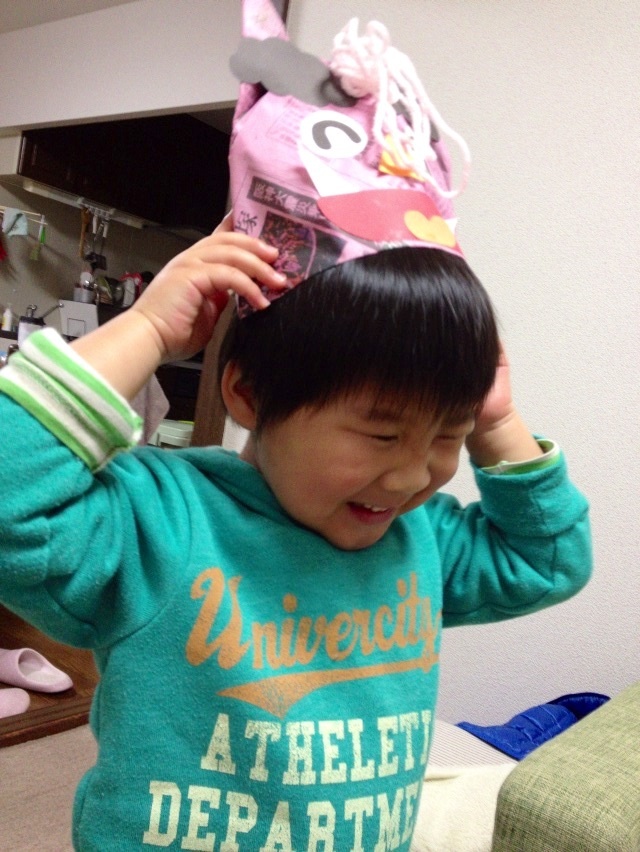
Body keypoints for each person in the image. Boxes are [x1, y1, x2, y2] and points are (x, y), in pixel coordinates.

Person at [0, 4, 591, 850]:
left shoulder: (419, 542)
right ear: (246, 394)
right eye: (381, 434)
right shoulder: (161, 522)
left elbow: (549, 561)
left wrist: (495, 419)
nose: (412, 476)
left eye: (447, 437)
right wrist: (149, 329)